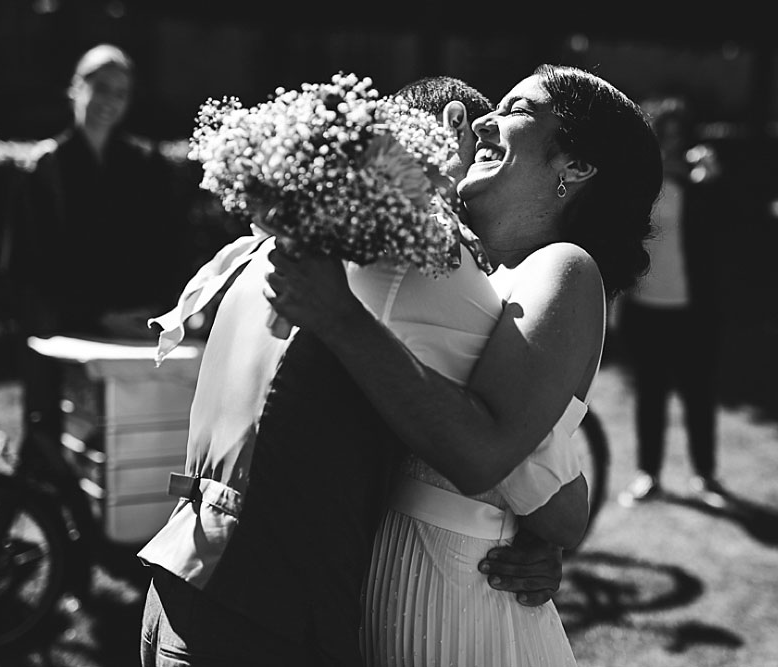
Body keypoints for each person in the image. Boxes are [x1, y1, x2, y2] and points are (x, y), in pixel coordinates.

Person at [137, 76, 577, 667]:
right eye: (480, 152)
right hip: (263, 617)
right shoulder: (412, 258)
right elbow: (545, 493)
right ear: (446, 129)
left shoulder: (281, 241)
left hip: (183, 586)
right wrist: (544, 536)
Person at [264, 64, 664, 666]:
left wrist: (340, 318)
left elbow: (482, 452)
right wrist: (548, 521)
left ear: (576, 165)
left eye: (517, 109)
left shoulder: (563, 268)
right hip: (383, 580)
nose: (483, 120)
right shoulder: (467, 272)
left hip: (465, 600)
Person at [10, 44, 186, 448]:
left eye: (121, 92)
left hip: (131, 338)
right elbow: (28, 270)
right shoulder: (45, 168)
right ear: (76, 88)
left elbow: (166, 252)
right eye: (101, 87)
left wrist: (154, 317)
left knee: (124, 459)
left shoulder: (147, 168)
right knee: (58, 457)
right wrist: (97, 316)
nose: (110, 100)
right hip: (64, 338)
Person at [613, 96, 728, 509]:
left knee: (699, 393)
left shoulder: (701, 181)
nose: (673, 141)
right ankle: (649, 475)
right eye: (666, 132)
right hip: (647, 306)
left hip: (694, 308)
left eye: (680, 134)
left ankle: (705, 475)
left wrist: (712, 182)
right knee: (650, 395)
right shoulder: (641, 182)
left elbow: (725, 228)